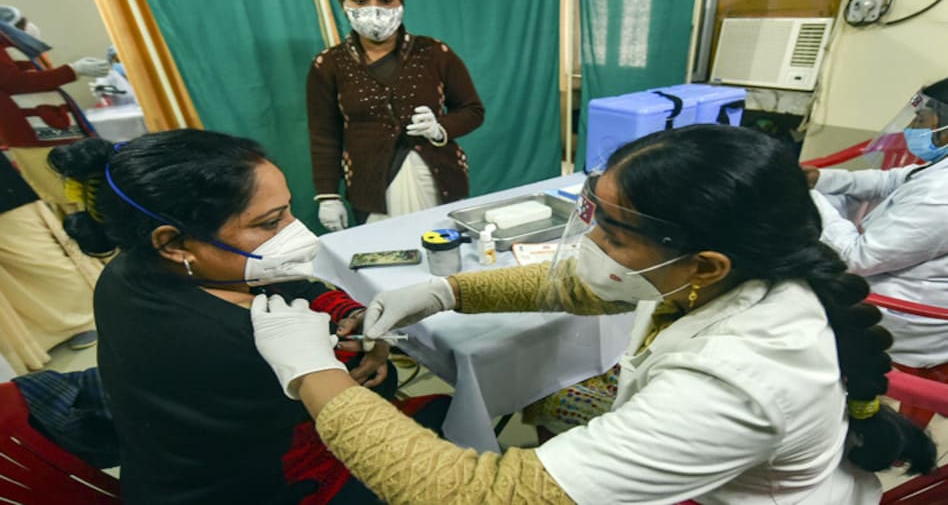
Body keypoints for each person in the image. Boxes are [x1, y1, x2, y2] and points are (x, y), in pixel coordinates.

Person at [251, 125, 936, 504]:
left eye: (612, 233)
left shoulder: (738, 379)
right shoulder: (734, 268)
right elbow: (581, 287)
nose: (589, 249)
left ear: (705, 263)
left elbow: (473, 493)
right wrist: (448, 293)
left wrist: (316, 375)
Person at [47, 129, 414, 504]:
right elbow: (367, 393)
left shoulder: (135, 268)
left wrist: (349, 312)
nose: (297, 232)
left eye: (288, 209)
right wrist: (370, 347)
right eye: (270, 223)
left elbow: (292, 284)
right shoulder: (222, 338)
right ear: (174, 243)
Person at [805, 77, 948, 428]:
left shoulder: (941, 196)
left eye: (922, 121)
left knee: (795, 293)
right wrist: (819, 180)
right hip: (901, 288)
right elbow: (891, 180)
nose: (914, 127)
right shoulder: (937, 171)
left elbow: (857, 257)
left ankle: (827, 410)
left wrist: (811, 200)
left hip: (906, 318)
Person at [307, 0, 485, 230]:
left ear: (400, 2)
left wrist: (440, 129)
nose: (374, 9)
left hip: (438, 180)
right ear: (342, 4)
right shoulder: (328, 65)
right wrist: (328, 196)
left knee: (443, 254)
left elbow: (472, 110)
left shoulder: (434, 53)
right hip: (370, 190)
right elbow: (324, 136)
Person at [0, 4, 109, 215]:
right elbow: (13, 81)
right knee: (67, 196)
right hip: (33, 133)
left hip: (50, 126)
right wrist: (72, 71)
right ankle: (89, 243)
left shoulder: (14, 44)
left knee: (81, 192)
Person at [0, 155, 100, 371]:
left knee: (40, 259)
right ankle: (37, 338)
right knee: (8, 284)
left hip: (6, 199)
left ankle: (85, 318)